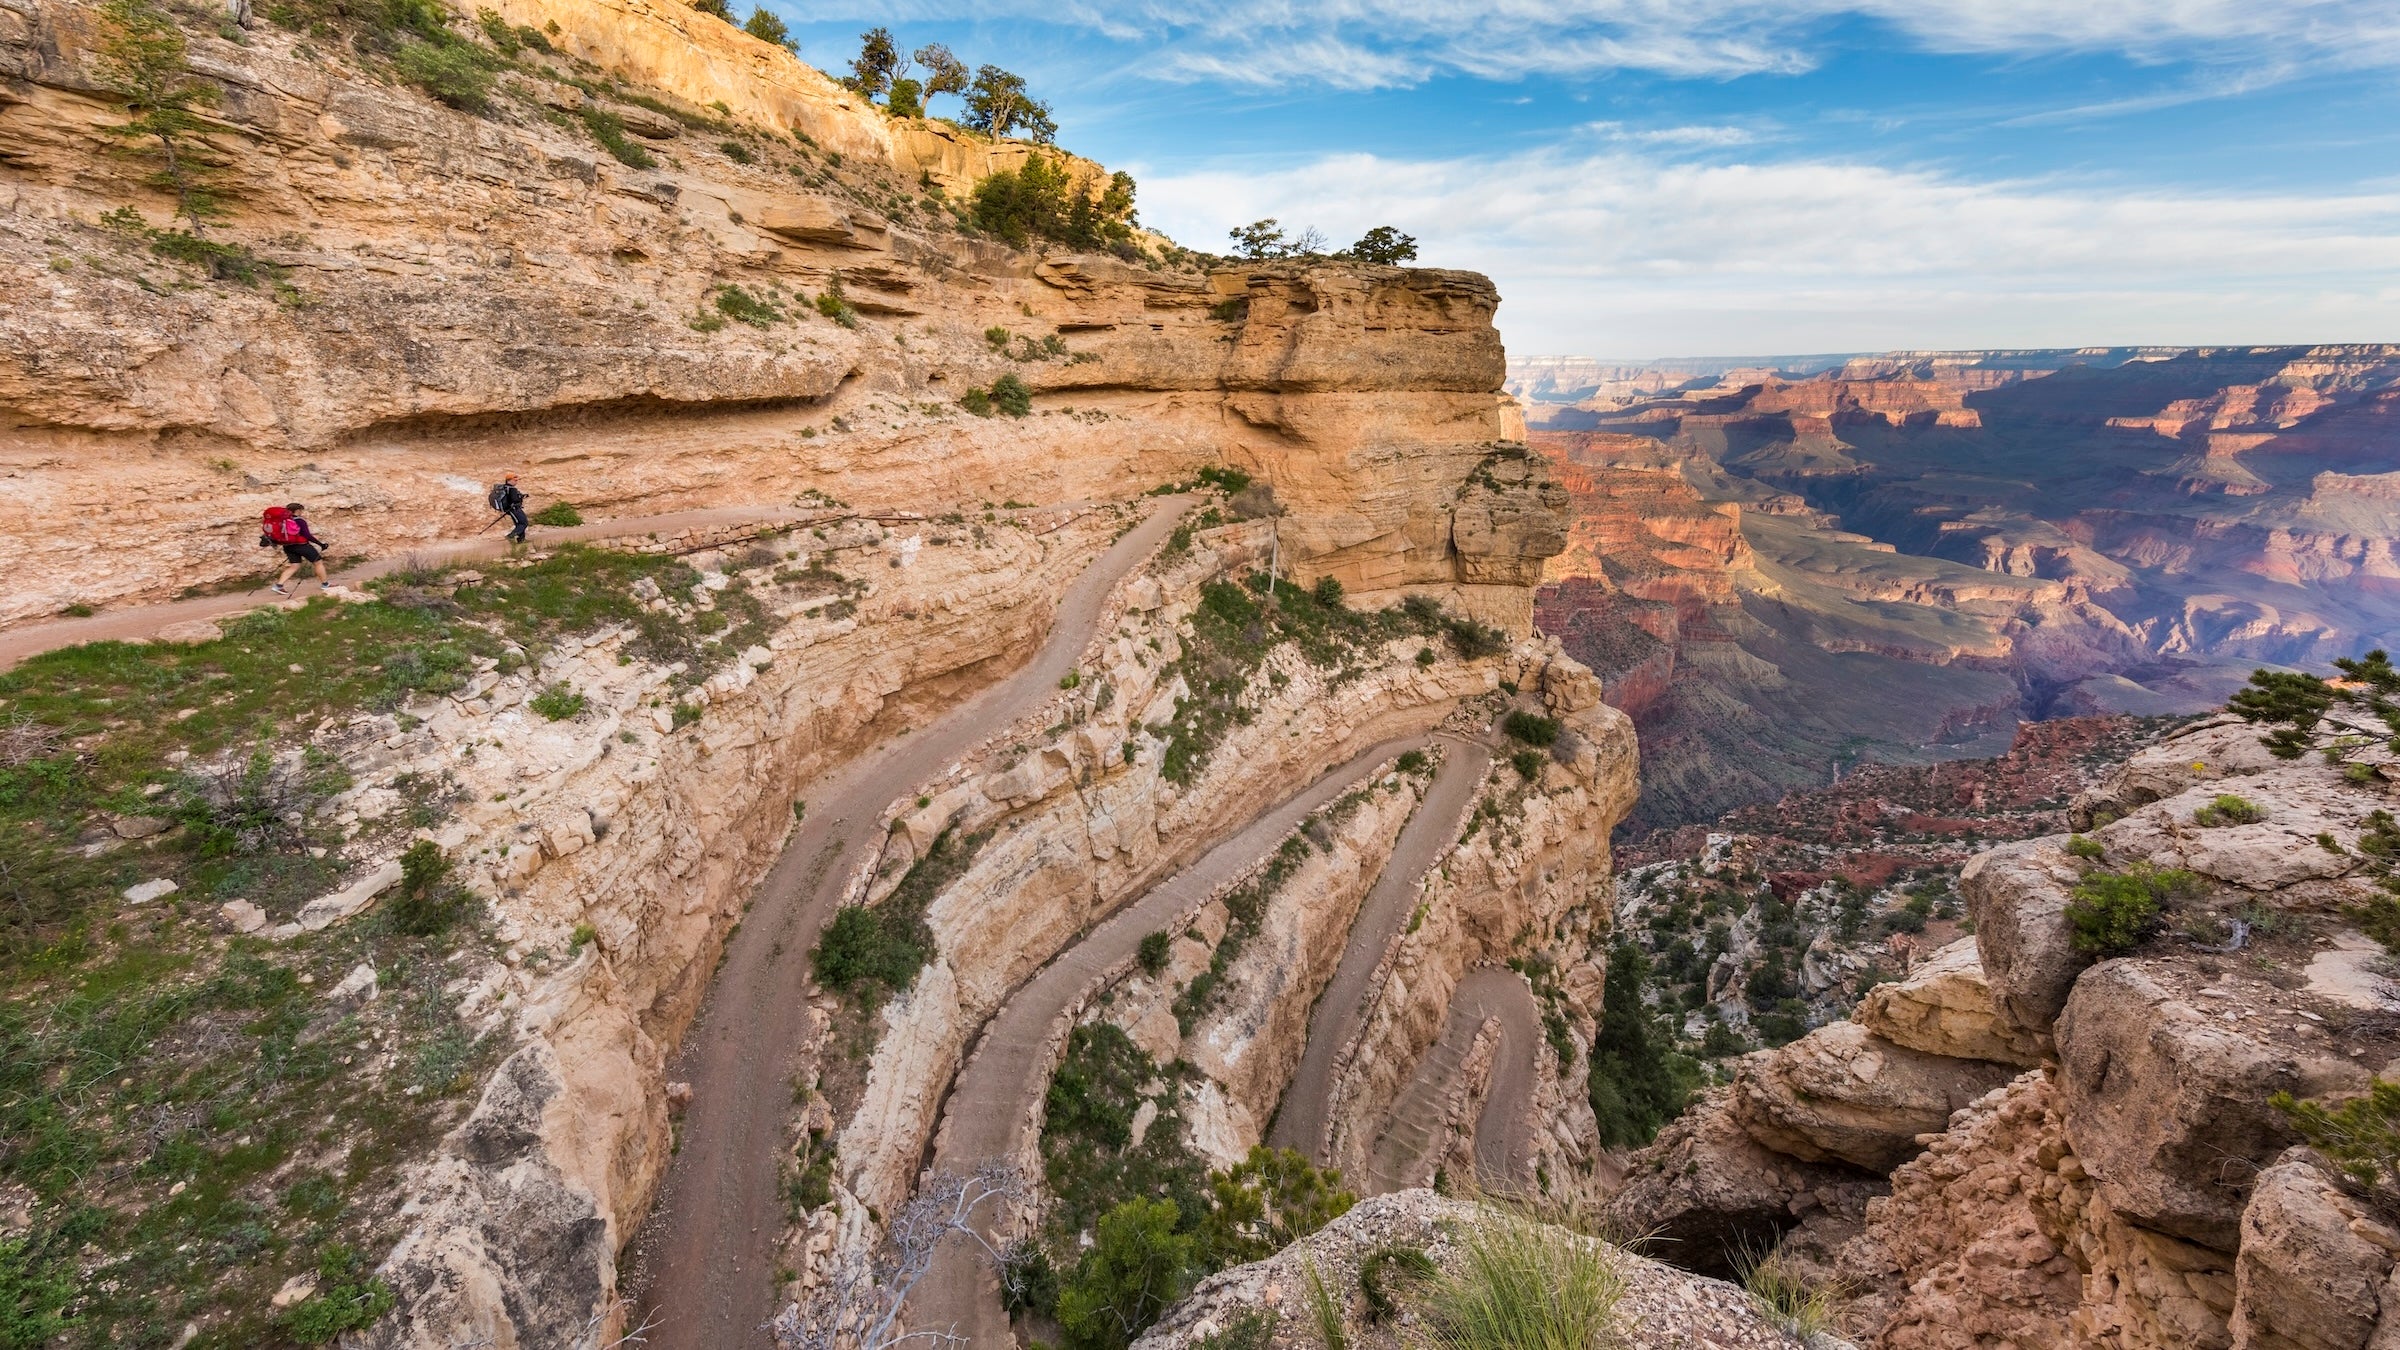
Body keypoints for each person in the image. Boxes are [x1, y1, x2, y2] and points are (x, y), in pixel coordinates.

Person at [263, 502, 328, 594]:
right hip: (302, 545)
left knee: (294, 566)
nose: (302, 513)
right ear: (298, 510)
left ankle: (279, 586)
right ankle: (325, 585)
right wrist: (321, 544)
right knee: (318, 562)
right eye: (301, 511)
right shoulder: (299, 520)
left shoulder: (282, 521)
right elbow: (307, 535)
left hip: (287, 546)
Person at [489, 473, 529, 543]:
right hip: (514, 509)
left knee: (519, 523)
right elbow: (515, 500)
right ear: (509, 480)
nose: (516, 482)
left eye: (517, 480)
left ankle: (521, 540)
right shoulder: (512, 489)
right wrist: (521, 497)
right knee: (523, 523)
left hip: (511, 509)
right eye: (515, 480)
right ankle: (511, 536)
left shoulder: (505, 488)